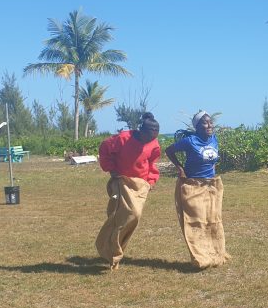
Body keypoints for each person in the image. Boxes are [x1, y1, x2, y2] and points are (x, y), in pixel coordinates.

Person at [95, 113, 161, 270]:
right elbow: (104, 148)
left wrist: (151, 181)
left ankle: (114, 250)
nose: (151, 139)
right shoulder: (124, 138)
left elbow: (152, 163)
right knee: (123, 216)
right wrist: (111, 169)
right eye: (149, 135)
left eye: (155, 136)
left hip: (140, 185)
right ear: (141, 131)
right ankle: (111, 251)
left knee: (133, 218)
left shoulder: (154, 144)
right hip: (121, 181)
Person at [166, 110, 230, 269]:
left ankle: (216, 253)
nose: (209, 125)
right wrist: (179, 168)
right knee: (196, 221)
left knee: (213, 221)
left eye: (210, 122)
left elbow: (212, 158)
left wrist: (212, 169)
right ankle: (200, 257)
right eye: (205, 123)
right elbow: (169, 151)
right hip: (193, 185)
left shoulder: (214, 139)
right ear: (197, 126)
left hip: (212, 185)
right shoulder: (190, 141)